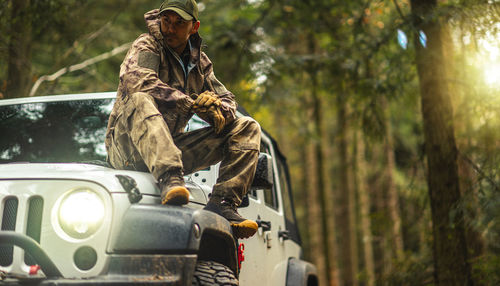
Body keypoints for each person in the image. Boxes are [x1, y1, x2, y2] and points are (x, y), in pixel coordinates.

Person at [105, 0, 261, 239]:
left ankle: (223, 204)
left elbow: (228, 100)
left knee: (247, 125)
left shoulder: (200, 63)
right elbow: (139, 81)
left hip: (170, 146)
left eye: (179, 23)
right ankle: (170, 178)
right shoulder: (148, 45)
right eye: (166, 21)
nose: (170, 28)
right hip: (128, 150)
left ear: (194, 27)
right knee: (139, 98)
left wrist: (216, 108)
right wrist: (190, 102)